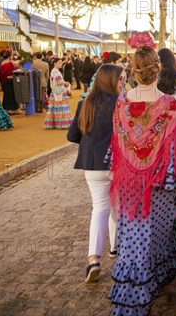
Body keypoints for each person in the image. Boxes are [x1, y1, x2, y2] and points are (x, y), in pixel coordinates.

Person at [108, 45, 176, 316]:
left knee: (132, 235)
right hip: (159, 183)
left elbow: (117, 143)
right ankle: (151, 278)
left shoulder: (121, 102)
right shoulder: (169, 104)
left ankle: (133, 286)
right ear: (158, 69)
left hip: (131, 181)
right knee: (156, 233)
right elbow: (172, 149)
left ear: (133, 71)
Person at [67, 64, 124, 283]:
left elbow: (72, 135)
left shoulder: (84, 103)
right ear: (110, 80)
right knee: (118, 208)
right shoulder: (120, 104)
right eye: (121, 79)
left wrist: (90, 142)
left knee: (100, 209)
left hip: (91, 165)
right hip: (114, 164)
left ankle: (93, 259)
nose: (123, 83)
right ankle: (116, 248)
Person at [44, 58, 72, 129]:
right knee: (60, 107)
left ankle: (57, 123)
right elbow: (59, 82)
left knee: (57, 108)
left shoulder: (55, 71)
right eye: (59, 62)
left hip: (57, 90)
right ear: (55, 63)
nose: (60, 64)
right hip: (58, 91)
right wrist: (66, 83)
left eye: (61, 62)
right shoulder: (55, 71)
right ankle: (60, 124)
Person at [0, 50, 20, 115]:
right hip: (10, 81)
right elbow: (12, 72)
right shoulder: (10, 63)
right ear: (9, 56)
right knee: (11, 95)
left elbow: (1, 73)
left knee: (6, 95)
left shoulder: (1, 63)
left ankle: (5, 108)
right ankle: (12, 109)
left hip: (4, 81)